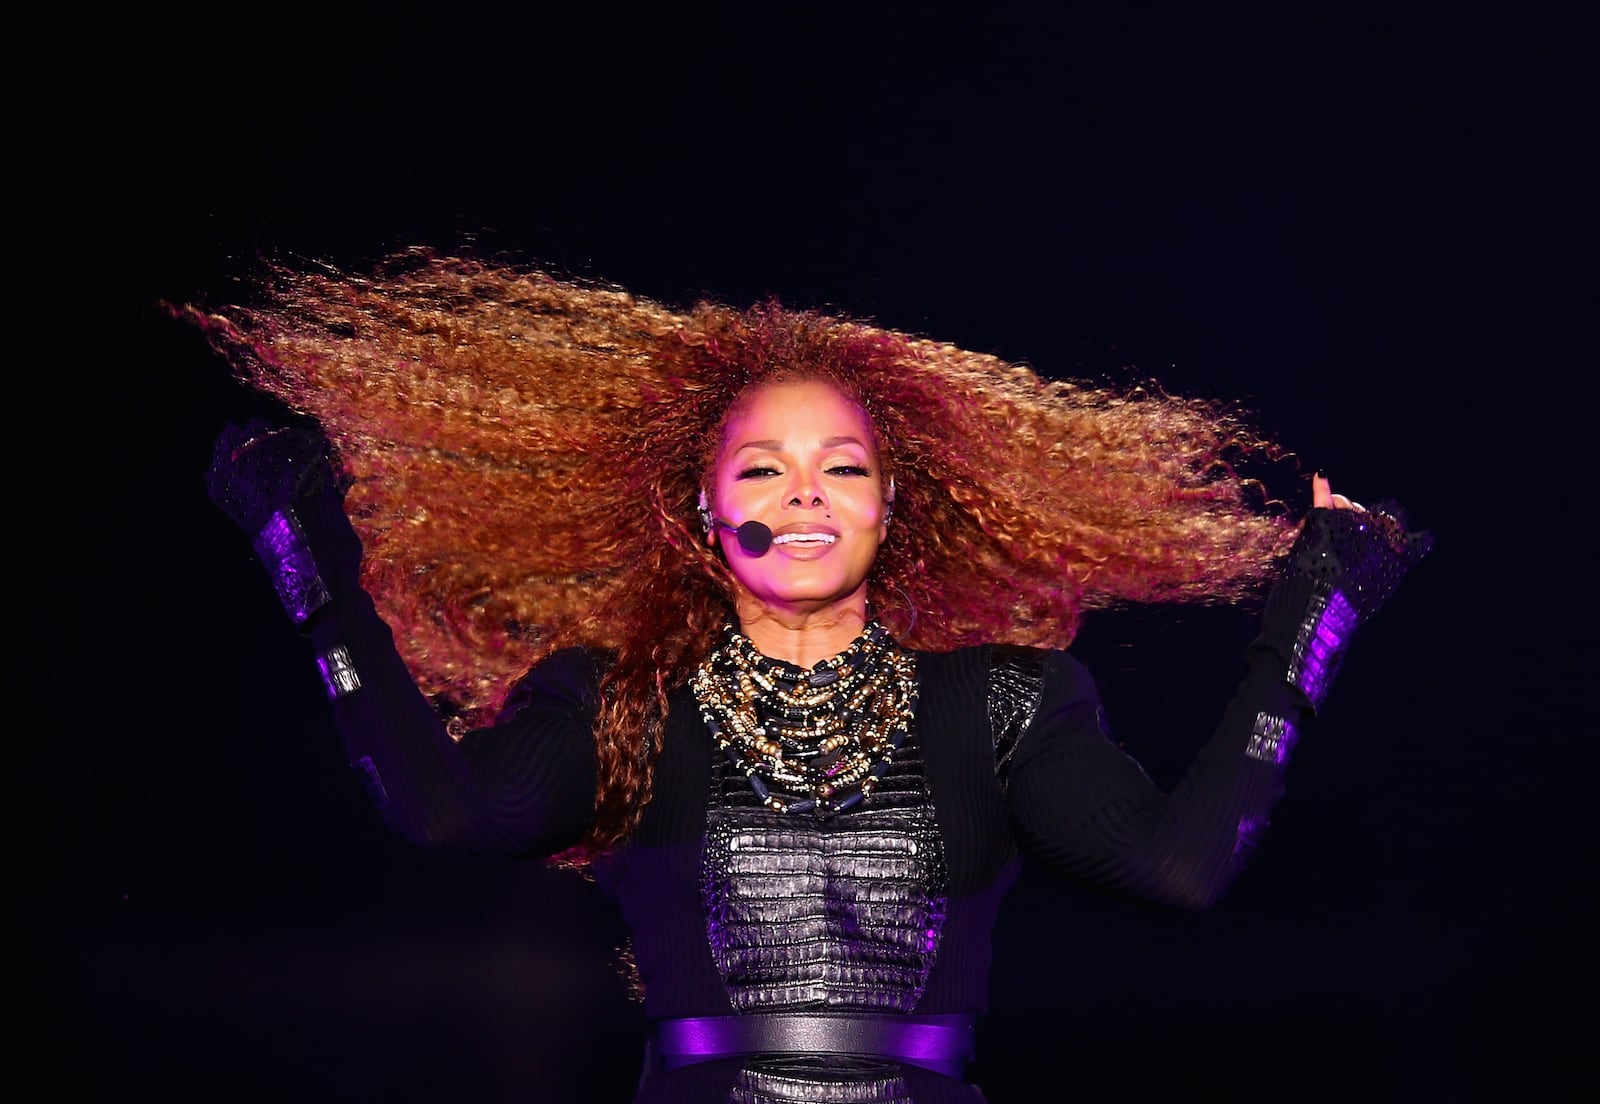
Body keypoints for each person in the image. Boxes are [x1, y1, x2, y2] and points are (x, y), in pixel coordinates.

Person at [175, 247, 1431, 1104]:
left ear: (891, 504)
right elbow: (445, 811)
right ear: (704, 509)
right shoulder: (620, 706)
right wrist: (310, 564)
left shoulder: (1006, 707)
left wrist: (1311, 623)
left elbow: (1179, 867)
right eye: (764, 468)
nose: (805, 494)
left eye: (840, 466)